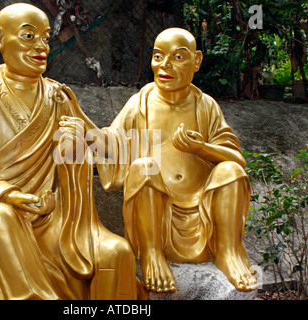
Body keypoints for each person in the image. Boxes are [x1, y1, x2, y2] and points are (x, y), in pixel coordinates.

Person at [0, 3, 141, 300]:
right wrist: (9, 195)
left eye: (46, 38)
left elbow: (104, 148)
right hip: (9, 213)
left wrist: (80, 144)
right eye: (28, 36)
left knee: (117, 254)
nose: (41, 46)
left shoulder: (58, 96)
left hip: (59, 219)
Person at [67, 27, 258, 294]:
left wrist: (202, 148)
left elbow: (237, 160)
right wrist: (83, 122)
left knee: (229, 171)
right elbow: (111, 143)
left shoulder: (206, 106)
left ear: (197, 61)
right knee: (143, 167)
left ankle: (226, 252)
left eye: (178, 57)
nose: (164, 65)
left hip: (202, 212)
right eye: (158, 56)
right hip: (156, 214)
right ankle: (152, 254)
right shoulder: (141, 102)